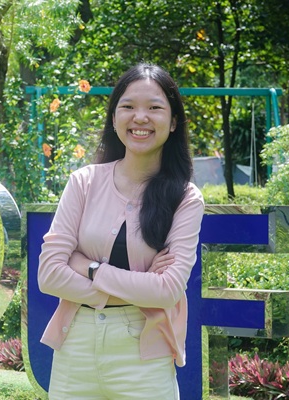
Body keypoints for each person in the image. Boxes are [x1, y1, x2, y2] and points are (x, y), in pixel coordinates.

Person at [37, 62, 204, 399]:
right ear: (114, 119)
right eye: (128, 107)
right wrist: (140, 286)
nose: (140, 117)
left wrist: (88, 267)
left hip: (144, 357)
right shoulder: (84, 182)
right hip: (75, 350)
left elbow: (168, 290)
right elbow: (49, 275)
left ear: (173, 122)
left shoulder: (185, 198)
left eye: (154, 108)